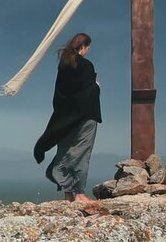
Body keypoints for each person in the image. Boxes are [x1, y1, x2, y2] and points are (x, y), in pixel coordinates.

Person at [33, 32, 102, 203]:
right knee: (81, 152)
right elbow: (87, 93)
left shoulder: (64, 66)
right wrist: (97, 86)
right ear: (84, 47)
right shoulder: (86, 65)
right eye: (88, 48)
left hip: (64, 118)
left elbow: (62, 94)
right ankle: (79, 194)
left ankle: (68, 192)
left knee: (65, 150)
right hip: (86, 116)